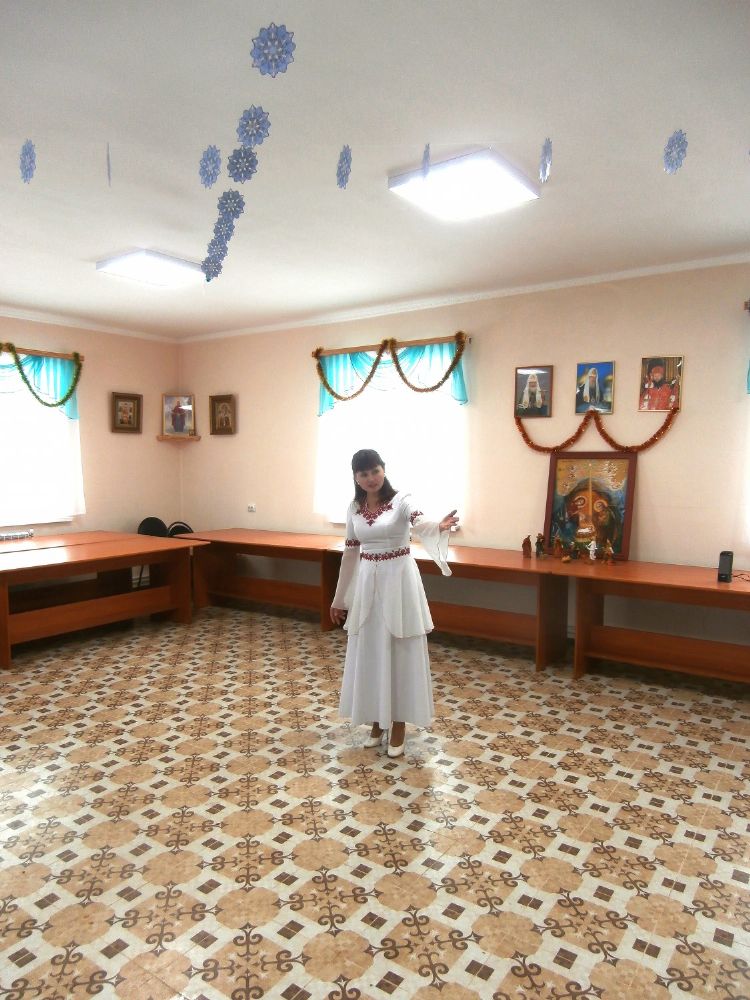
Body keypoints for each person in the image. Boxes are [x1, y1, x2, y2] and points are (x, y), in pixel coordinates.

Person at [329, 449, 459, 758]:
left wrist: (438, 526)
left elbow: (419, 520)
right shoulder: (354, 508)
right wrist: (339, 598)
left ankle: (398, 723)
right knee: (371, 648)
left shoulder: (402, 500)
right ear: (355, 478)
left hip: (399, 582)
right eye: (363, 474)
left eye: (374, 471)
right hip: (367, 584)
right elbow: (351, 553)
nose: (370, 478)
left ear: (384, 470)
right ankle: (377, 721)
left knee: (399, 649)